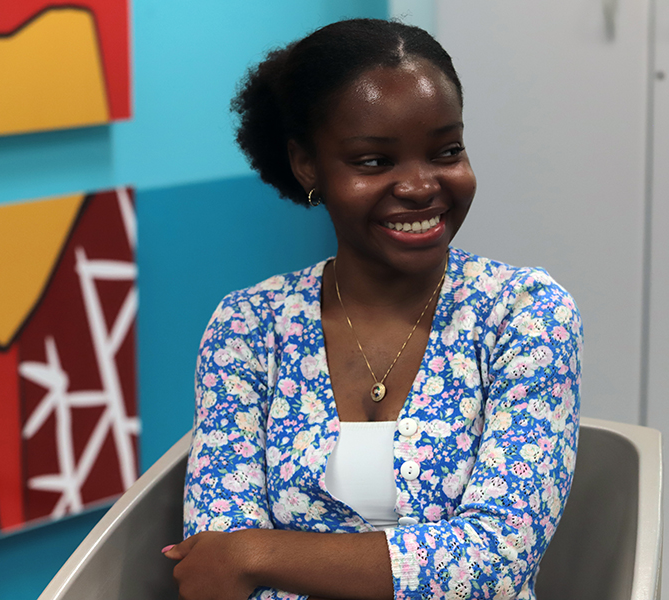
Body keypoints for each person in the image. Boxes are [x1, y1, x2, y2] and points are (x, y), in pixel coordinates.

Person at [163, 18, 582, 600]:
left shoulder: (524, 313)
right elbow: (216, 563)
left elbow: (496, 558)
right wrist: (238, 556)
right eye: (374, 161)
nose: (420, 186)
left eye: (447, 151)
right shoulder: (249, 326)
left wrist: (259, 554)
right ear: (307, 165)